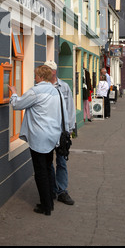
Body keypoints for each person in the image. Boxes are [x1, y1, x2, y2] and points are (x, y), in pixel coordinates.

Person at [9, 65, 68, 216]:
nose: (35, 78)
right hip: (53, 136)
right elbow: (64, 114)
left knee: (40, 171)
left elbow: (17, 104)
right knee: (48, 168)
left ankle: (45, 206)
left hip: (39, 138)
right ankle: (50, 200)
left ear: (40, 77)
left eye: (36, 75)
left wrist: (14, 94)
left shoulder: (35, 91)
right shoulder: (57, 92)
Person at [44, 60, 76, 206]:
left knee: (62, 161)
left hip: (61, 132)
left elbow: (70, 108)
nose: (46, 72)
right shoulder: (41, 87)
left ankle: (62, 191)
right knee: (48, 161)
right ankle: (52, 189)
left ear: (54, 71)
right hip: (47, 131)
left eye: (48, 70)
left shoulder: (64, 87)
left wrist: (69, 129)